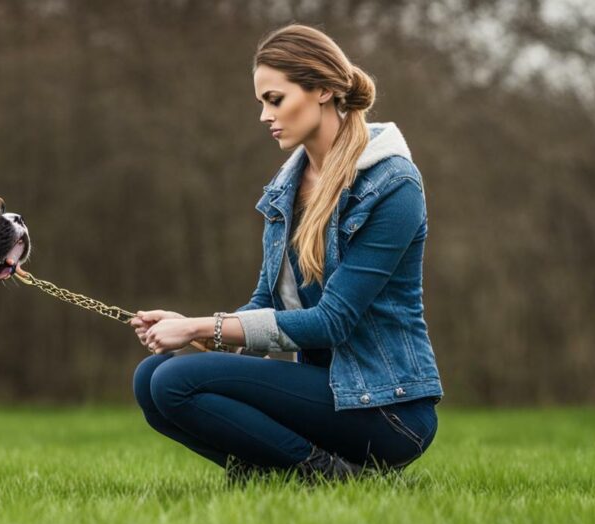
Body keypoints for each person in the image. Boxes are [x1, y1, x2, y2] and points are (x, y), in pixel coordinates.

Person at [130, 24, 443, 484]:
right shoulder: (288, 186)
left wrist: (201, 326)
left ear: (321, 89)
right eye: (261, 102)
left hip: (387, 408)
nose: (263, 115)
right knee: (152, 378)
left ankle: (325, 474)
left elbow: (332, 321)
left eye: (274, 99)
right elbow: (266, 305)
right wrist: (198, 332)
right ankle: (275, 470)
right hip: (326, 394)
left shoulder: (392, 185)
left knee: (175, 382)